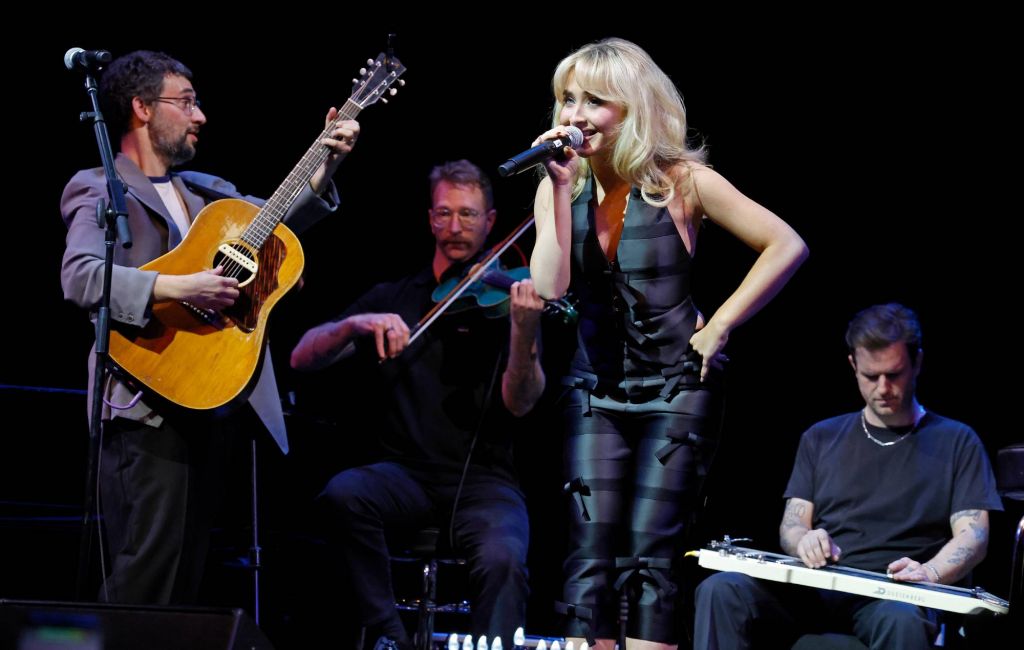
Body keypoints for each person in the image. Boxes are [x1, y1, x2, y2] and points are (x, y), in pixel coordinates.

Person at [527, 38, 808, 650]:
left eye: (593, 101)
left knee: (649, 554)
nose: (574, 115)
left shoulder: (683, 181)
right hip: (595, 389)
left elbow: (785, 244)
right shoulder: (563, 185)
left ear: (630, 109)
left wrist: (721, 324)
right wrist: (556, 186)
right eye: (566, 99)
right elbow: (550, 286)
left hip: (678, 390)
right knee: (587, 550)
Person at [60, 50, 358, 604]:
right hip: (143, 405)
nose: (200, 116)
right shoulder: (100, 186)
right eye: (187, 102)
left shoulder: (205, 191)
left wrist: (326, 164)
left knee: (186, 580)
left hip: (211, 397)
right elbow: (80, 277)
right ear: (142, 109)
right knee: (142, 574)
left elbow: (277, 222)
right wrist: (180, 287)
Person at [290, 160, 546, 650]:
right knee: (343, 495)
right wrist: (355, 325)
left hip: (485, 484)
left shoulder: (510, 300)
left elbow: (521, 403)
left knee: (504, 559)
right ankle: (389, 637)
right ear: (430, 219)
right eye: (445, 214)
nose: (455, 228)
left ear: (491, 222)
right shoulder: (397, 296)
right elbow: (302, 357)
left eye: (468, 216)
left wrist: (524, 330)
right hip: (405, 476)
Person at [693, 303, 1004, 649]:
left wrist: (929, 572)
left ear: (916, 363)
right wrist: (804, 541)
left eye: (894, 374)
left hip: (892, 598)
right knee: (722, 590)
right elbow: (793, 524)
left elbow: (973, 537)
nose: (883, 388)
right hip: (816, 590)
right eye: (871, 376)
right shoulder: (821, 437)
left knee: (901, 618)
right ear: (853, 366)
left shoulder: (957, 441)